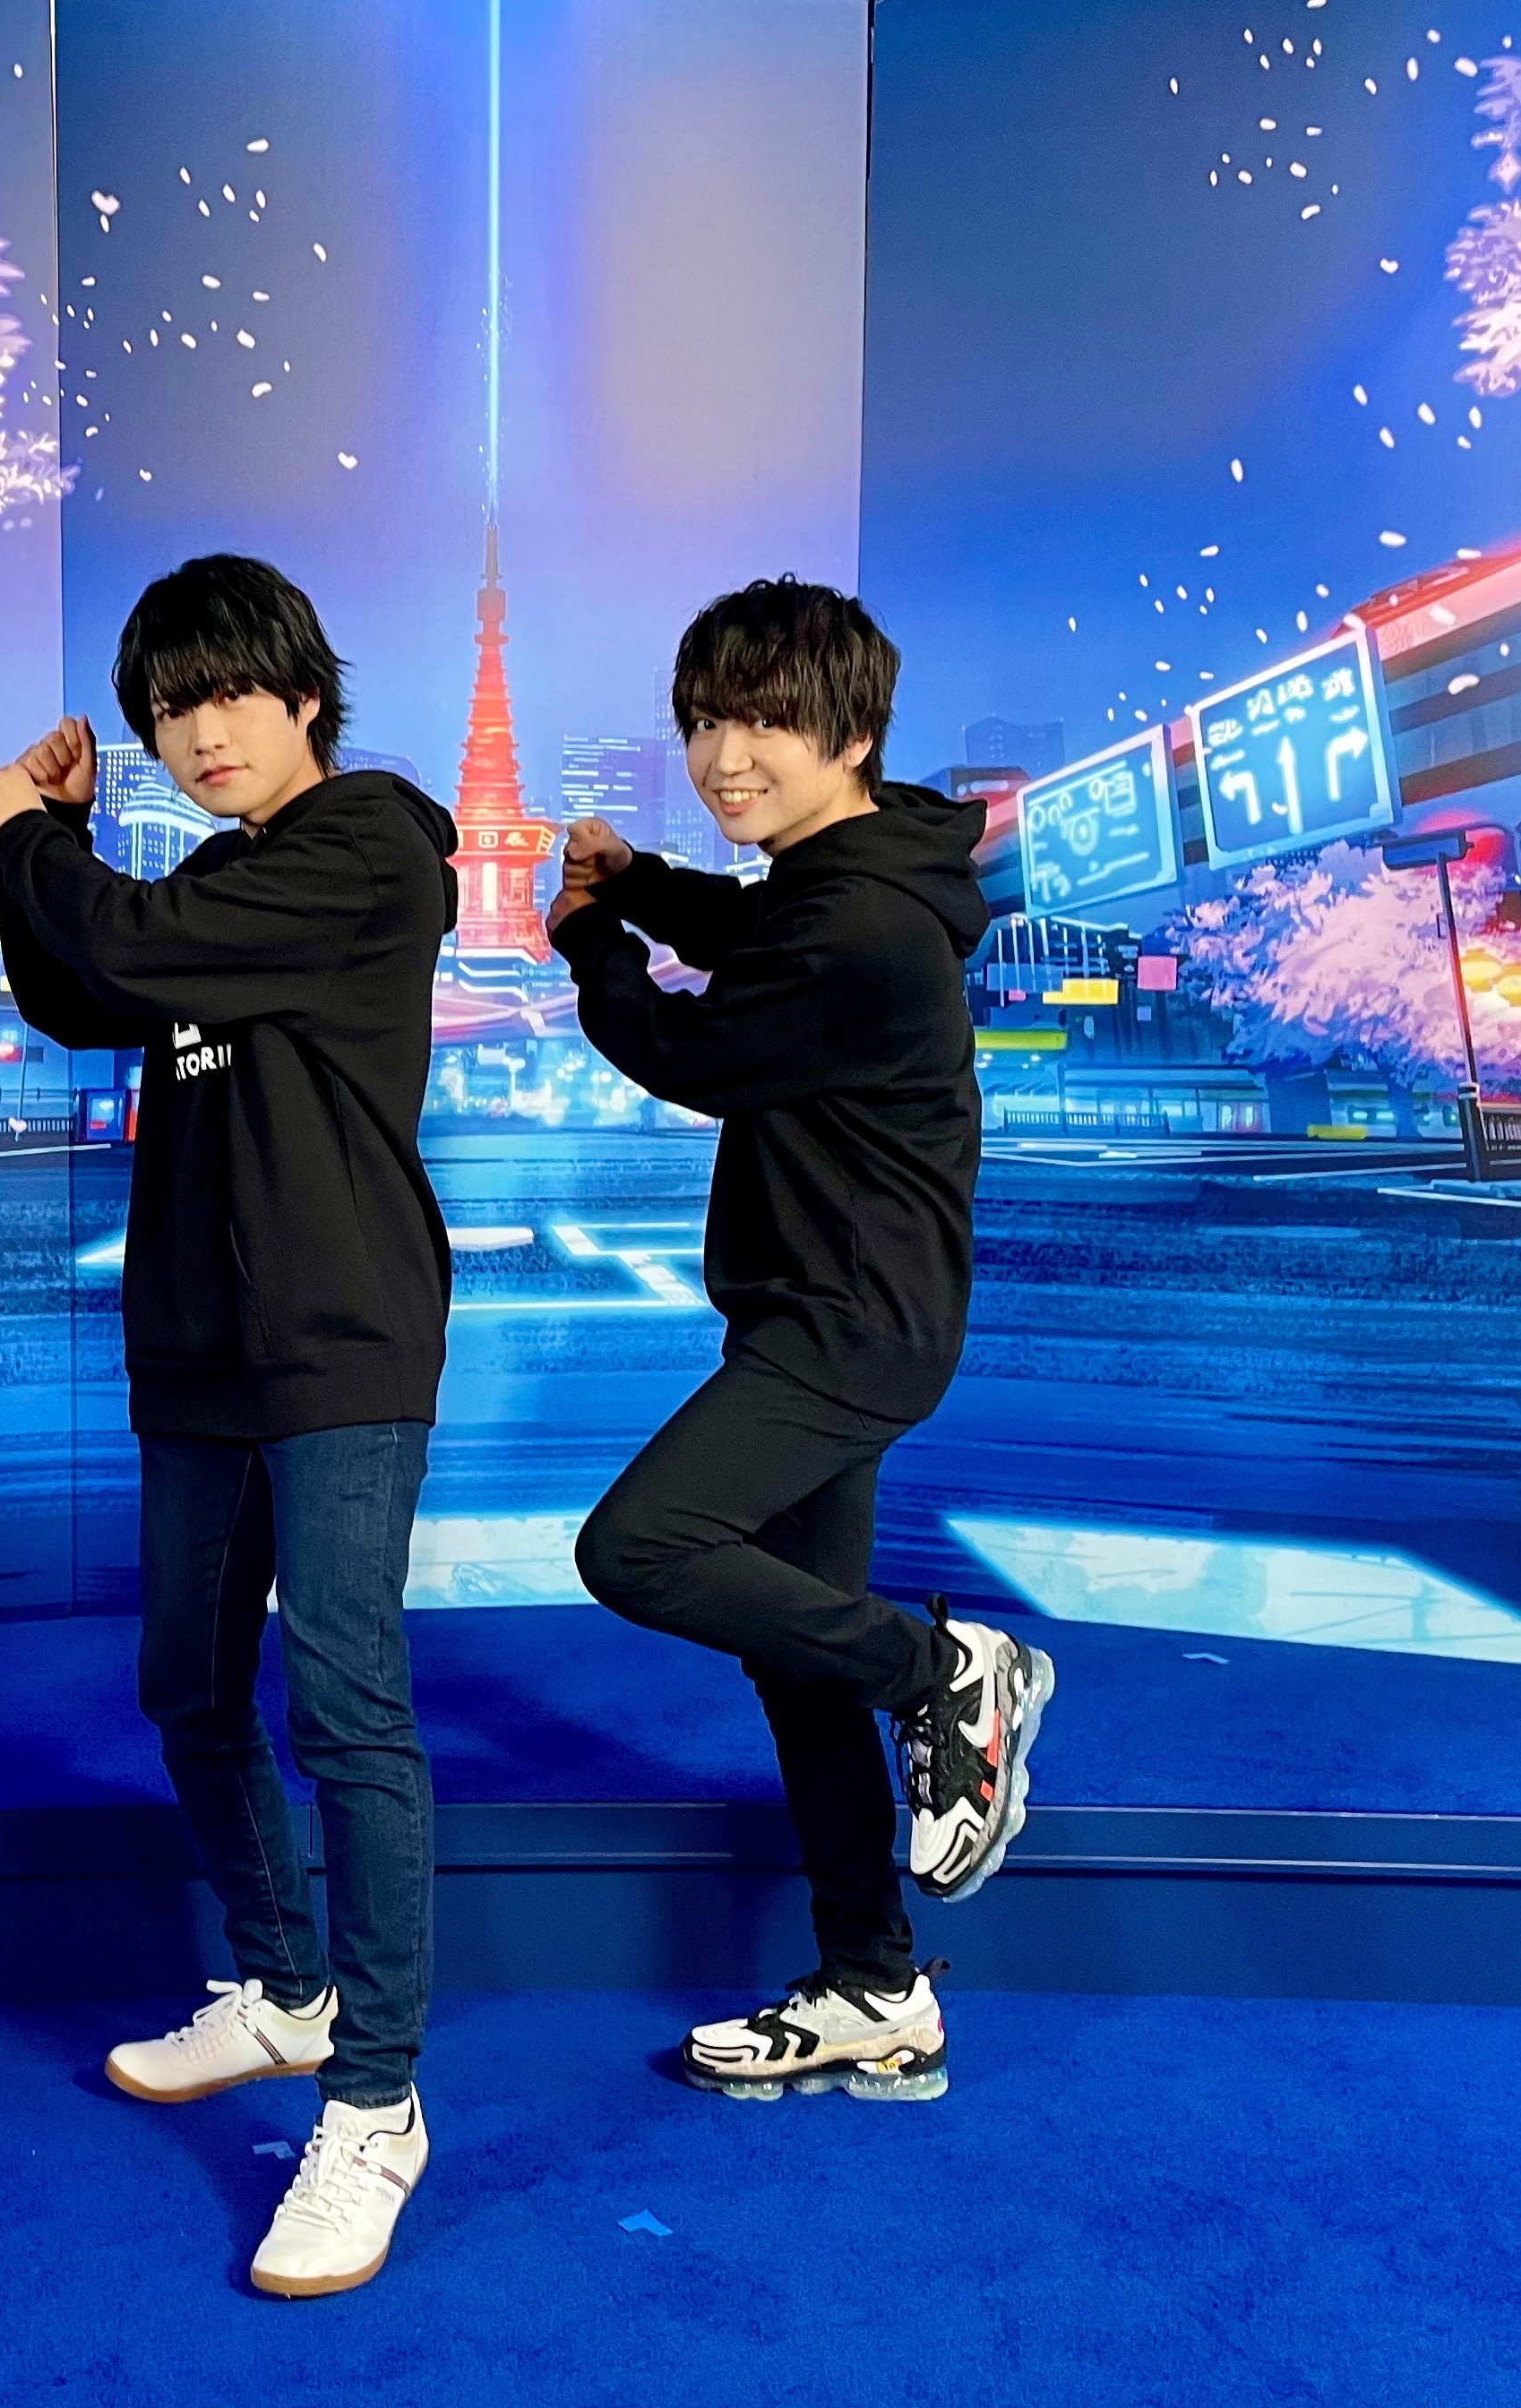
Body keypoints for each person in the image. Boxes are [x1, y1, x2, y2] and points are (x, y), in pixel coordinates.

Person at [0, 555, 455, 2299]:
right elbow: (78, 988)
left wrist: (24, 834)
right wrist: (42, 847)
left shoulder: (367, 842)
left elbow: (128, 943)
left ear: (304, 693)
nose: (200, 732)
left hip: (339, 1339)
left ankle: (376, 2102)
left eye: (229, 693)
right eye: (170, 710)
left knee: (345, 1701)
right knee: (187, 1686)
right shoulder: (212, 886)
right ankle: (283, 1988)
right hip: (193, 1347)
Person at [546, 575, 1053, 2103]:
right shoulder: (855, 875)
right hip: (833, 1310)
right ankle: (875, 1986)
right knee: (792, 1655)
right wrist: (642, 879)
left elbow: (693, 1048)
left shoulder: (864, 926)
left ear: (853, 735)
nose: (726, 757)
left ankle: (947, 1669)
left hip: (847, 1328)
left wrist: (592, 935)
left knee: (639, 1550)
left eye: (765, 722)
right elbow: (755, 923)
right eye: (706, 723)